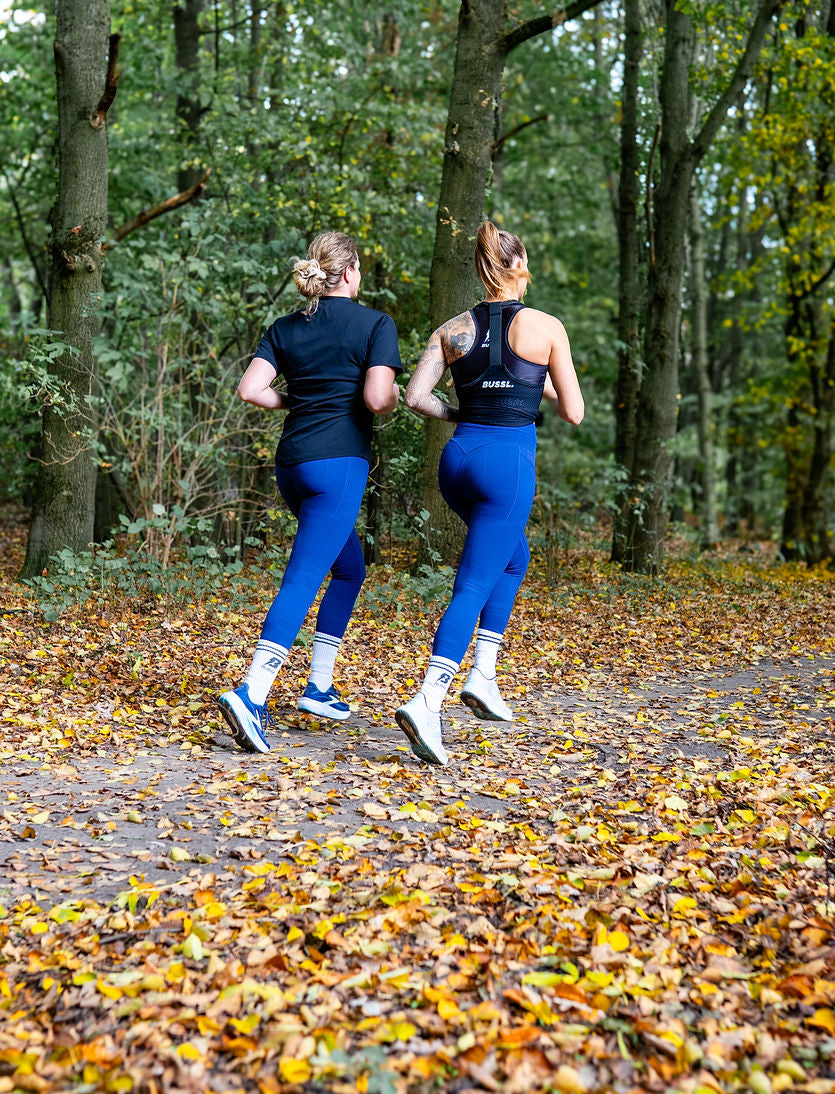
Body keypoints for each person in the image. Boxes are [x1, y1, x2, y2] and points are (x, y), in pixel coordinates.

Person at [397, 220, 584, 765]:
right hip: (508, 464)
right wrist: (540, 379)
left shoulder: (452, 329)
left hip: (458, 460)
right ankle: (428, 700)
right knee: (474, 581)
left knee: (512, 558)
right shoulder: (546, 326)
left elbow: (415, 397)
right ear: (518, 265)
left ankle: (483, 675)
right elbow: (572, 412)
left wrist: (463, 412)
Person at [218, 233, 401, 753]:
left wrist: (297, 402)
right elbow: (375, 397)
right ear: (348, 274)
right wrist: (390, 400)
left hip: (292, 465)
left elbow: (251, 390)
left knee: (349, 568)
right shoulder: (375, 324)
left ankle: (319, 686)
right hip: (338, 465)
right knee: (303, 577)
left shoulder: (283, 328)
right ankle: (252, 694)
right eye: (359, 269)